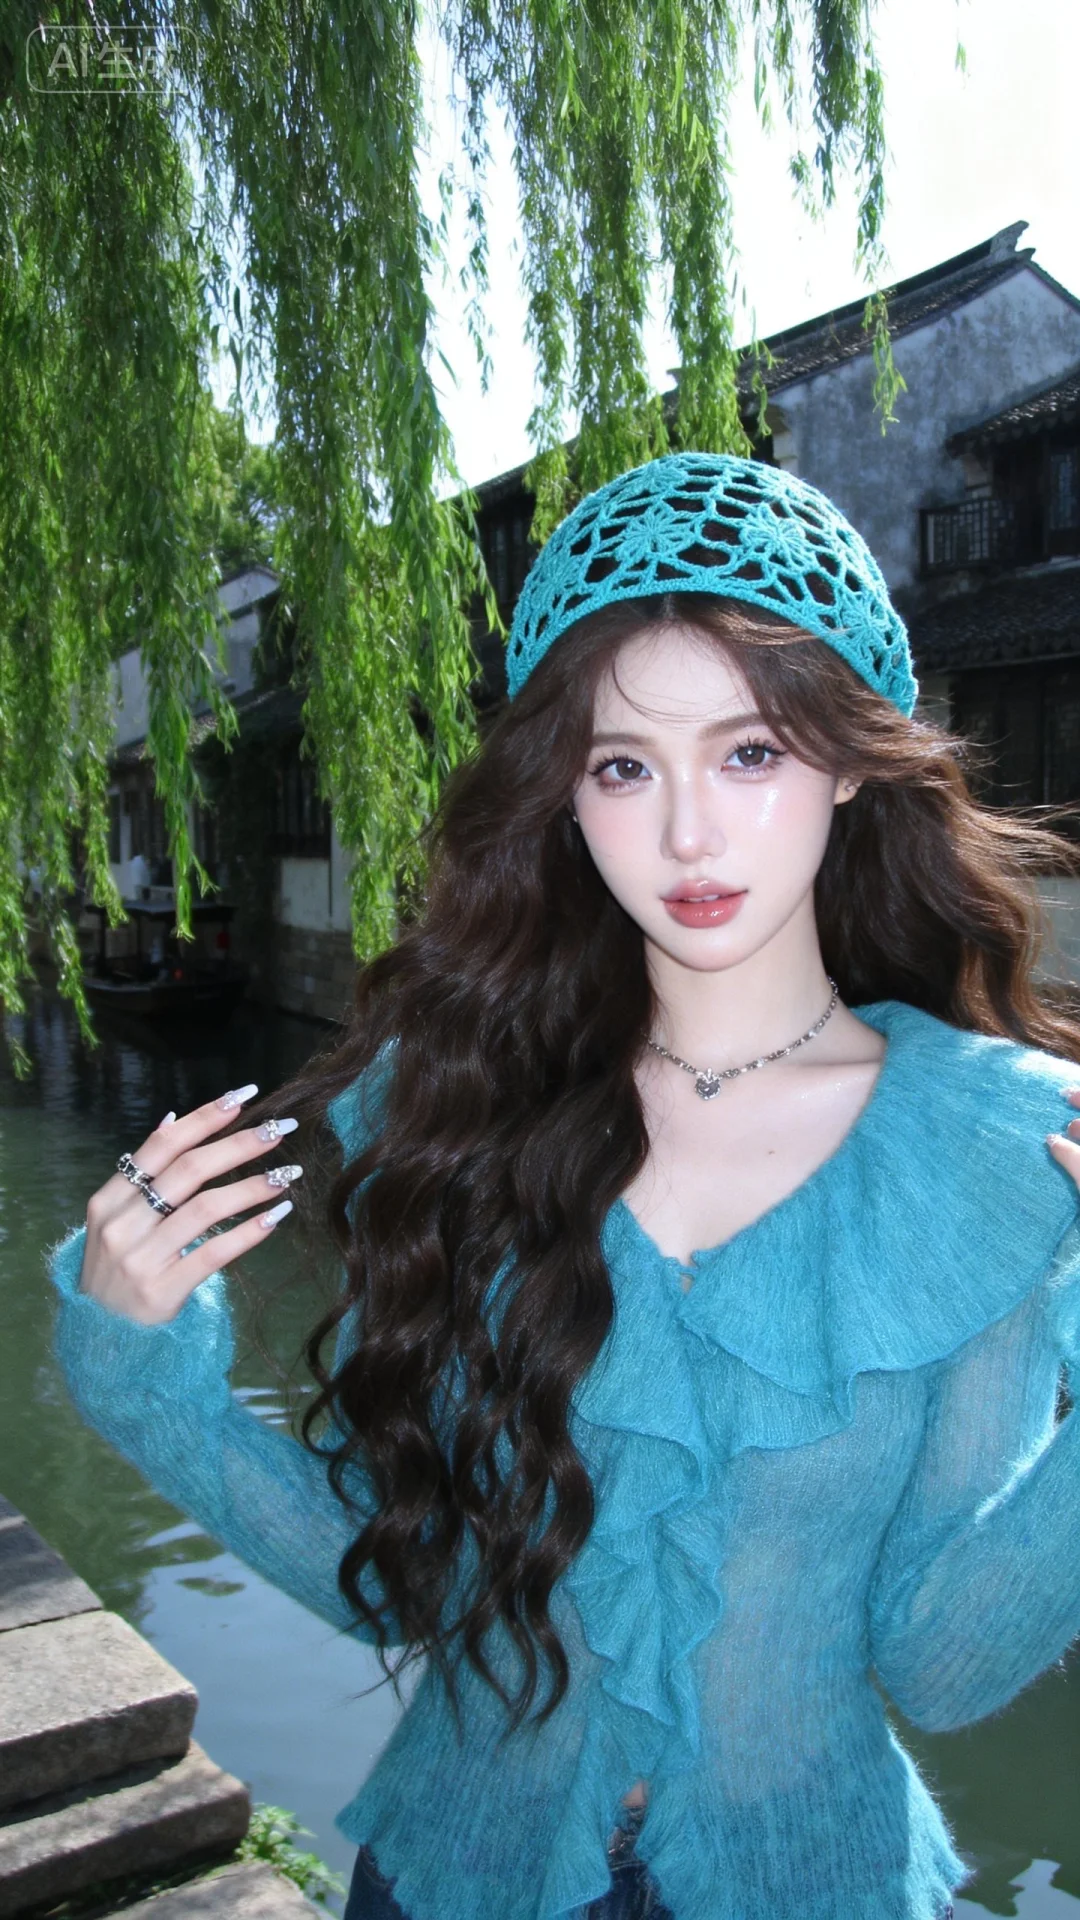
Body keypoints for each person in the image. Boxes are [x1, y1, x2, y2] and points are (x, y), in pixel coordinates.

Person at [47, 453, 1080, 1920]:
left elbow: (942, 1662)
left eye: (751, 753)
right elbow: (410, 1584)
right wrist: (145, 1380)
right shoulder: (456, 1107)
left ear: (851, 759)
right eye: (622, 767)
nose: (688, 835)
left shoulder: (995, 1149)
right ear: (564, 797)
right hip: (457, 1876)